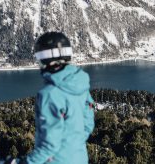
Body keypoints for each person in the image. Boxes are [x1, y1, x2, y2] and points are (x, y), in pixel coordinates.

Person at [10, 32, 95, 164]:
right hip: (79, 158)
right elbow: (88, 125)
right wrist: (70, 145)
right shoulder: (80, 85)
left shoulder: (50, 94)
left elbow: (49, 145)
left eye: (39, 58)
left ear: (47, 59)